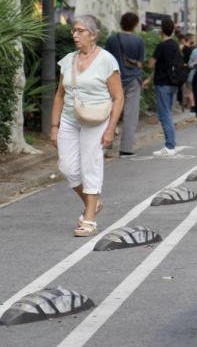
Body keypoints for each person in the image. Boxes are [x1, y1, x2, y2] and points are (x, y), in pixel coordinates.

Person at [50, 15, 124, 237]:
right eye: (74, 30)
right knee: (67, 167)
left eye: (80, 31)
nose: (75, 35)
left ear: (93, 35)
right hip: (71, 120)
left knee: (90, 166)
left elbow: (118, 97)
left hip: (96, 120)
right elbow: (59, 96)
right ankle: (94, 203)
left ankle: (89, 218)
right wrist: (54, 126)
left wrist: (111, 129)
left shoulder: (107, 60)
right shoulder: (68, 60)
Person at [104, 12, 145, 157]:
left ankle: (105, 145)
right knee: (130, 114)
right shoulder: (139, 41)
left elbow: (105, 60)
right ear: (134, 25)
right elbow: (140, 63)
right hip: (133, 80)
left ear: (121, 23)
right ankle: (126, 148)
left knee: (109, 112)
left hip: (113, 79)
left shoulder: (111, 39)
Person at [143, 17, 183, 157]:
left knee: (164, 115)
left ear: (161, 30)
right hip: (173, 84)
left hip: (162, 84)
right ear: (172, 29)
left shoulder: (161, 46)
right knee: (167, 114)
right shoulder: (175, 45)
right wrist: (149, 79)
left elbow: (151, 64)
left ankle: (170, 145)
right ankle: (170, 144)